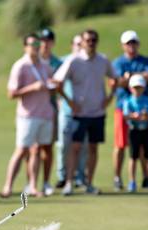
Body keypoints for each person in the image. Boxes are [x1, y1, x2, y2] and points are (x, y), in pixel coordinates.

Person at [53, 29, 118, 196]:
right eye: (88, 40)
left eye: (94, 40)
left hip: (97, 112)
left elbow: (115, 78)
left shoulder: (102, 60)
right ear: (81, 42)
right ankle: (69, 183)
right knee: (74, 148)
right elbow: (57, 82)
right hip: (80, 113)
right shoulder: (73, 60)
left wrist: (110, 97)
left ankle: (89, 183)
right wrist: (69, 102)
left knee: (93, 148)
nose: (91, 43)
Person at [2, 33, 55, 198]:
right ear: (25, 47)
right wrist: (32, 88)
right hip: (28, 115)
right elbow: (11, 94)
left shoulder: (45, 66)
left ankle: (33, 186)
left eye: (37, 44)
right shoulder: (20, 66)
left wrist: (51, 85)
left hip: (45, 113)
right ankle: (7, 186)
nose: (36, 47)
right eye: (32, 44)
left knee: (37, 150)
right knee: (21, 150)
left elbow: (51, 84)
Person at [112, 30, 148, 192]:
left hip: (143, 108)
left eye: (134, 43)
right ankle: (117, 177)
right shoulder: (118, 63)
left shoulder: (145, 60)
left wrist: (131, 76)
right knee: (121, 144)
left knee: (143, 144)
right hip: (123, 107)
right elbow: (118, 82)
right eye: (128, 43)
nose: (131, 46)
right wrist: (137, 77)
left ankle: (146, 177)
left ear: (138, 44)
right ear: (123, 45)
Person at [55, 34, 88, 189]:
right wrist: (60, 101)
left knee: (83, 146)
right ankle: (62, 176)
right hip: (66, 111)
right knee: (63, 145)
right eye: (76, 44)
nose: (79, 46)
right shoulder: (64, 61)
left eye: (81, 44)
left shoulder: (87, 62)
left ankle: (80, 177)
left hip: (84, 112)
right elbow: (55, 82)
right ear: (71, 45)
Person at [37, 28, 62, 196]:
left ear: (52, 43)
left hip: (51, 108)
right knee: (32, 149)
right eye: (42, 40)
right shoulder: (32, 61)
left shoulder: (57, 63)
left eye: (48, 40)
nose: (45, 44)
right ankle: (30, 182)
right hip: (33, 109)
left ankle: (45, 182)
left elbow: (59, 87)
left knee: (47, 147)